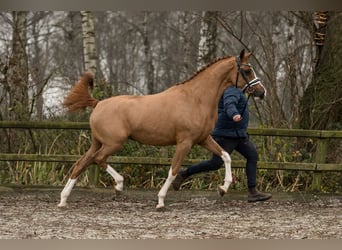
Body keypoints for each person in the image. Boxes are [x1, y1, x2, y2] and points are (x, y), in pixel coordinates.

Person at [172, 85, 272, 202]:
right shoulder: (231, 90)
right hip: (225, 135)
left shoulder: (239, 91)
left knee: (252, 155)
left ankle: (253, 192)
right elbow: (229, 103)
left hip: (238, 135)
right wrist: (234, 114)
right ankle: (184, 174)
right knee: (215, 163)